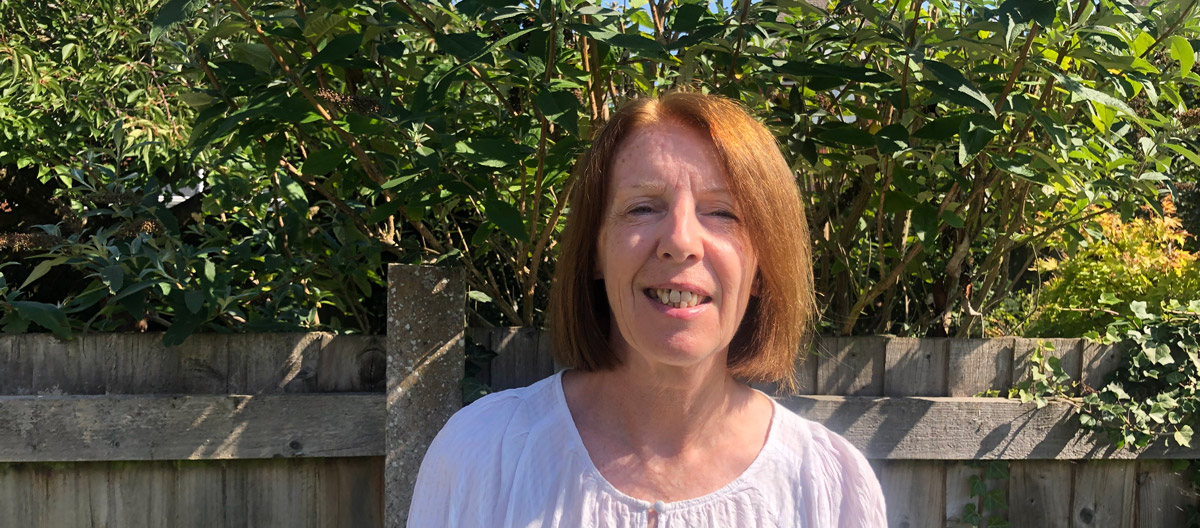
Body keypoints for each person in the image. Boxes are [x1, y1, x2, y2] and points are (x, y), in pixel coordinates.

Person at [408, 91, 886, 527]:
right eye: (642, 208)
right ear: (595, 252)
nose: (680, 242)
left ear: (762, 265)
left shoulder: (831, 489)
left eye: (722, 213)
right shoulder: (482, 455)